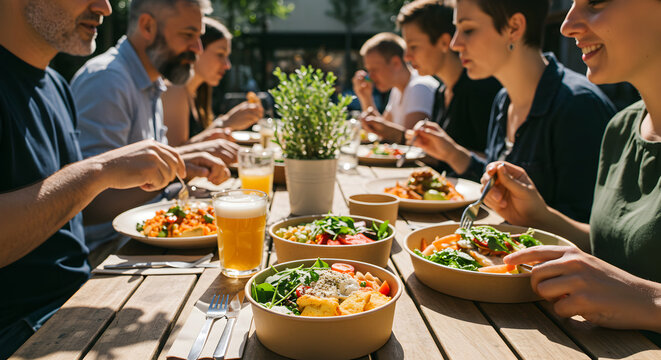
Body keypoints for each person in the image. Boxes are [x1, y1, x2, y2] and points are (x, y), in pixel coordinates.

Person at [0, 0, 193, 356]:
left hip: (77, 299)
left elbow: (72, 214)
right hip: (21, 329)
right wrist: (98, 171)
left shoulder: (55, 85)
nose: (104, 6)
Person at [479, 0, 661, 343]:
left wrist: (649, 300)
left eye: (595, 3)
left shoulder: (584, 106)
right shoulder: (621, 128)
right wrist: (541, 216)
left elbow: (632, 283)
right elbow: (617, 251)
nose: (566, 25)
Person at [414, 0, 615, 222]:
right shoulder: (503, 100)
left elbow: (594, 233)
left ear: (514, 28)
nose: (455, 44)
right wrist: (451, 153)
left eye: (468, 30)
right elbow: (504, 186)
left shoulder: (578, 106)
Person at [70, 0, 236, 249]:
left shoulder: (152, 80)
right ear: (147, 26)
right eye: (188, 35)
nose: (198, 48)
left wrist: (187, 158)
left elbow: (144, 165)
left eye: (199, 37)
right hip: (106, 251)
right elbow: (89, 202)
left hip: (141, 238)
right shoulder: (107, 81)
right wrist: (177, 169)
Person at [394, 0, 501, 168]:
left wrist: (450, 152)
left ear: (444, 42)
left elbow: (498, 161)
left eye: (413, 46)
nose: (406, 56)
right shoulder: (441, 91)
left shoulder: (481, 89)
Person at [162, 17, 264, 147]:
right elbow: (175, 155)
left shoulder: (198, 93)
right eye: (220, 54)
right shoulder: (175, 90)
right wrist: (226, 122)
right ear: (198, 49)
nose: (227, 65)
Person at [352, 32, 438, 136]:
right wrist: (365, 97)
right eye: (368, 71)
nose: (370, 77)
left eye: (374, 70)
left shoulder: (419, 87)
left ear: (395, 63)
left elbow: (411, 140)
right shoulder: (397, 90)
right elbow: (382, 130)